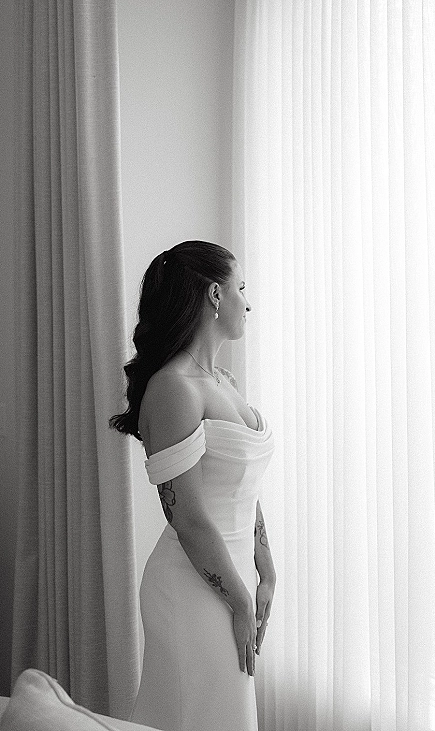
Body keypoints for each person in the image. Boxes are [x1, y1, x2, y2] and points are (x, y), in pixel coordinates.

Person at [110, 240, 276, 731]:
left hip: (229, 582)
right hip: (191, 589)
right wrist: (239, 598)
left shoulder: (222, 380)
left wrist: (266, 571)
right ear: (214, 294)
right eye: (241, 288)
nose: (249, 302)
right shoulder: (173, 388)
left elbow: (243, 486)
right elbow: (187, 518)